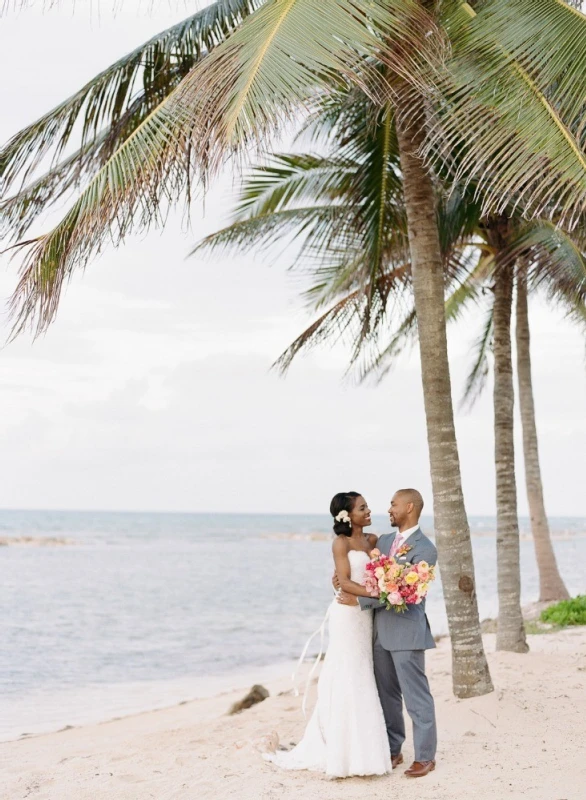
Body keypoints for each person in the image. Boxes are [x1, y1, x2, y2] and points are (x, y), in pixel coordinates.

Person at [264, 491, 392, 778]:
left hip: (366, 615)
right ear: (347, 515)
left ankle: (365, 750)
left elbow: (387, 569)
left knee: (363, 672)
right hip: (347, 615)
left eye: (367, 506)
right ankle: (343, 752)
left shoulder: (373, 541)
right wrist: (379, 593)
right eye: (362, 507)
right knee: (348, 672)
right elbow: (344, 582)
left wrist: (380, 590)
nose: (369, 511)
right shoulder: (341, 543)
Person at [336, 488, 438, 778]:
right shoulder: (383, 541)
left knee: (416, 697)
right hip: (379, 631)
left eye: (393, 504)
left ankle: (426, 757)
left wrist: (360, 600)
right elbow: (363, 572)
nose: (389, 509)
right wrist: (342, 578)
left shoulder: (425, 549)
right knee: (387, 696)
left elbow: (407, 592)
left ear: (409, 507)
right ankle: (394, 748)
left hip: (407, 632)